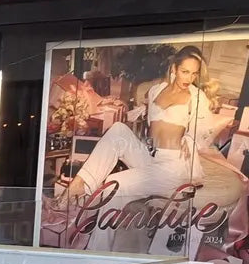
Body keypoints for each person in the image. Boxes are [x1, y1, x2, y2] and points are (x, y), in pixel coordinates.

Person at [66, 46, 242, 253]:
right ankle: (80, 184)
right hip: (151, 157)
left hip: (174, 166)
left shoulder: (197, 97)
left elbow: (205, 135)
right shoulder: (156, 90)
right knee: (118, 130)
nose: (189, 77)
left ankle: (95, 253)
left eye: (194, 73)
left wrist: (189, 138)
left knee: (116, 185)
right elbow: (148, 125)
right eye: (185, 71)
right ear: (175, 69)